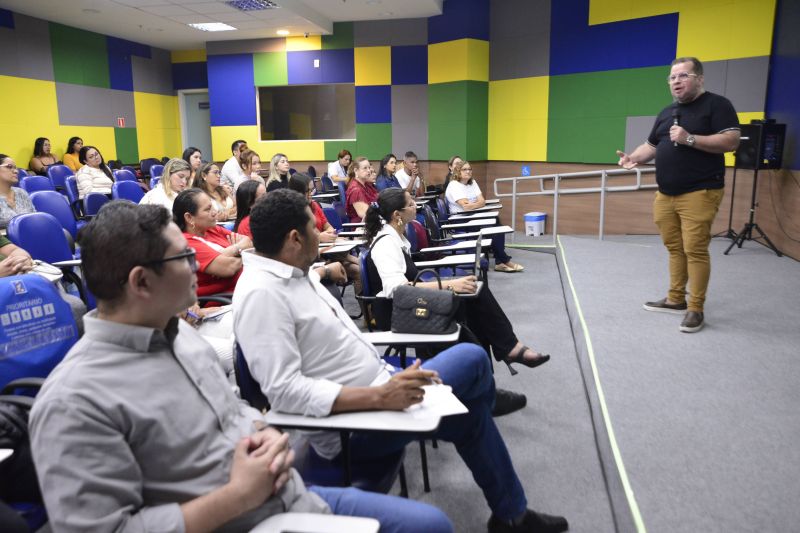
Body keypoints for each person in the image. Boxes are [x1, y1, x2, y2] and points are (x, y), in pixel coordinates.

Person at [28, 200, 452, 533]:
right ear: (142, 282)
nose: (198, 270)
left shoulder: (182, 338)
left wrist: (265, 433)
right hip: (245, 518)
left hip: (288, 498)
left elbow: (235, 412)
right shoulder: (74, 400)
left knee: (430, 525)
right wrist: (238, 495)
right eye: (185, 260)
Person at [233, 189, 568, 533]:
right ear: (293, 239)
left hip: (382, 385)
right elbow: (285, 391)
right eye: (313, 229)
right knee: (471, 358)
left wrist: (325, 273)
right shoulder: (262, 295)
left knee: (471, 414)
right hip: (355, 426)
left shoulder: (295, 272)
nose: (321, 234)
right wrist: (381, 396)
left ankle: (512, 517)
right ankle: (509, 503)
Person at [616, 56, 740, 333]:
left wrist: (689, 138)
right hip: (666, 193)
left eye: (683, 76)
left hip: (700, 191)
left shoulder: (717, 105)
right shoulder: (665, 112)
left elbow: (731, 141)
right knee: (674, 248)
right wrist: (632, 158)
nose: (676, 82)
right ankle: (675, 299)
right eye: (672, 78)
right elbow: (651, 146)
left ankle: (696, 308)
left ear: (699, 78)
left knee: (694, 249)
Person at [369, 187, 548, 369]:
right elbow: (397, 290)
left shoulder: (397, 238)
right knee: (465, 300)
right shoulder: (385, 244)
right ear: (397, 214)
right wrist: (449, 285)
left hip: (409, 303)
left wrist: (449, 286)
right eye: (410, 204)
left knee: (474, 290)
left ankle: (500, 355)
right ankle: (501, 355)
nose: (416, 205)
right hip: (396, 312)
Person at [446, 160, 524, 273]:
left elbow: (482, 201)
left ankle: (500, 261)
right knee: (493, 226)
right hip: (461, 220)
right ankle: (503, 261)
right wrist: (476, 204)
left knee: (496, 222)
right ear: (458, 171)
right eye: (465, 169)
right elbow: (466, 207)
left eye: (470, 169)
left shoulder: (472, 183)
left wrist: (474, 205)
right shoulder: (454, 185)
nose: (468, 171)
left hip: (473, 215)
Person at [289, 173, 361, 294]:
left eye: (313, 189)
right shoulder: (292, 211)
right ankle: (356, 260)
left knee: (360, 270)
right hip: (313, 259)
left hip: (328, 252)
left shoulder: (314, 205)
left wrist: (327, 234)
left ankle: (368, 312)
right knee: (358, 270)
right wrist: (320, 237)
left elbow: (328, 227)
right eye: (309, 190)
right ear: (298, 192)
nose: (313, 193)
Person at [173, 188, 252, 297]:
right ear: (189, 217)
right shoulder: (186, 243)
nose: (215, 212)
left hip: (246, 288)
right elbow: (229, 268)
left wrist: (226, 253)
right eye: (208, 209)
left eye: (212, 206)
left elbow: (247, 241)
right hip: (225, 301)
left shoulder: (211, 228)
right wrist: (238, 249)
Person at [0, 154, 36, 229]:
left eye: (16, 168)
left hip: (30, 234)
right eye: (9, 167)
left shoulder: (21, 192)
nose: (16, 171)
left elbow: (34, 217)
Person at [345, 156, 378, 222]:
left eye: (369, 167)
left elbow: (379, 200)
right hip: (361, 226)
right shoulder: (355, 190)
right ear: (356, 171)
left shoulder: (367, 185)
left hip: (373, 222)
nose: (369, 170)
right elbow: (367, 214)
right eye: (365, 168)